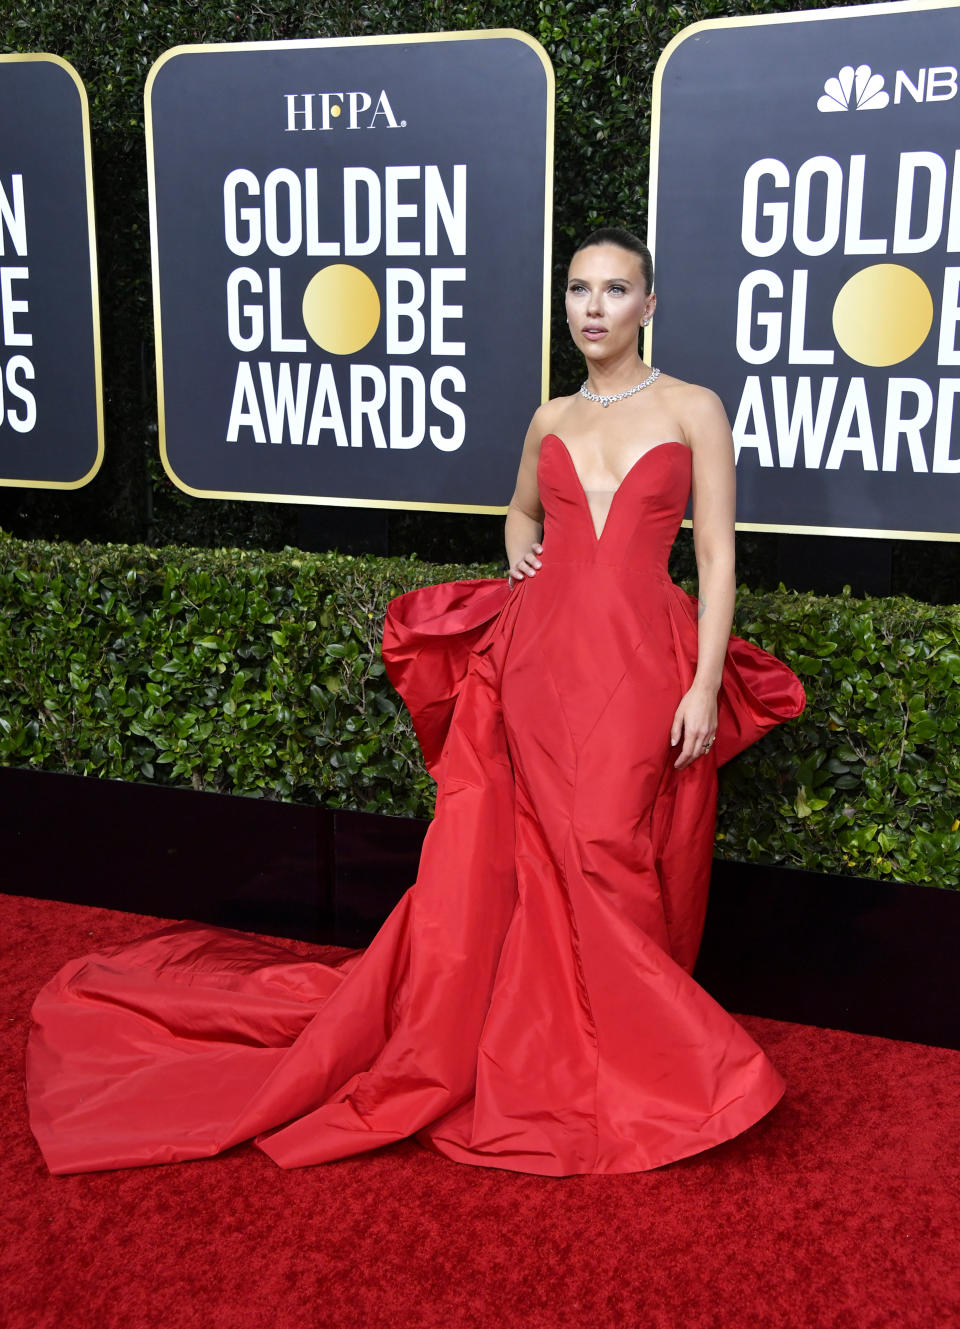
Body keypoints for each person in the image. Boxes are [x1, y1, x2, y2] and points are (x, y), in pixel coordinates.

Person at [26, 228, 805, 1178]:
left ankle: (628, 1056)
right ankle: (573, 1055)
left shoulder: (694, 409)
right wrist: (520, 550)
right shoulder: (549, 418)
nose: (592, 307)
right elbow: (519, 511)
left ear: (650, 305)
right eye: (578, 290)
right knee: (539, 855)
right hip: (537, 659)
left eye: (614, 290)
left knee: (605, 846)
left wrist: (704, 681)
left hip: (641, 662)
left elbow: (720, 556)